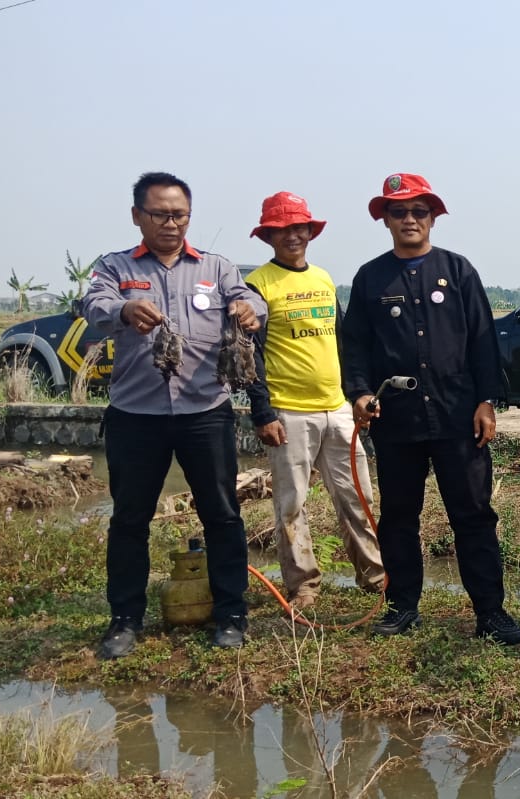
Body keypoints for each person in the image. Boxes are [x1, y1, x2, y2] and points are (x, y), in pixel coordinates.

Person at [85, 171, 266, 659]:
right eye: (160, 214)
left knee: (223, 514)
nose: (171, 223)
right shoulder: (115, 267)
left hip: (205, 411)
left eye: (180, 214)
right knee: (129, 518)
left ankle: (230, 614)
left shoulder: (216, 266)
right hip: (135, 415)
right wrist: (124, 310)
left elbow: (249, 298)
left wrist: (249, 309)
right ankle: (124, 619)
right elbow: (94, 303)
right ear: (137, 216)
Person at [338, 172, 520, 645]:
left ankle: (490, 612)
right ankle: (402, 606)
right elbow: (354, 345)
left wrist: (487, 400)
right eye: (398, 212)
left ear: (433, 217)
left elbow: (484, 342)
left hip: (458, 417)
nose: (409, 219)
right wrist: (359, 392)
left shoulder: (457, 271)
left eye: (418, 211)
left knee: (473, 515)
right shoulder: (370, 277)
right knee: (400, 515)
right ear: (385, 219)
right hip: (396, 419)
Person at [244, 191, 384, 613]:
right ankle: (303, 585)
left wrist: (357, 393)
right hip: (289, 411)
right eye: (283, 229)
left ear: (310, 232)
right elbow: (250, 355)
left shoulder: (323, 279)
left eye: (299, 227)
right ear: (269, 236)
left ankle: (375, 576)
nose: (293, 235)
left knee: (357, 497)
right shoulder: (259, 285)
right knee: (292, 505)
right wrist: (263, 412)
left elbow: (343, 341)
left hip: (336, 407)